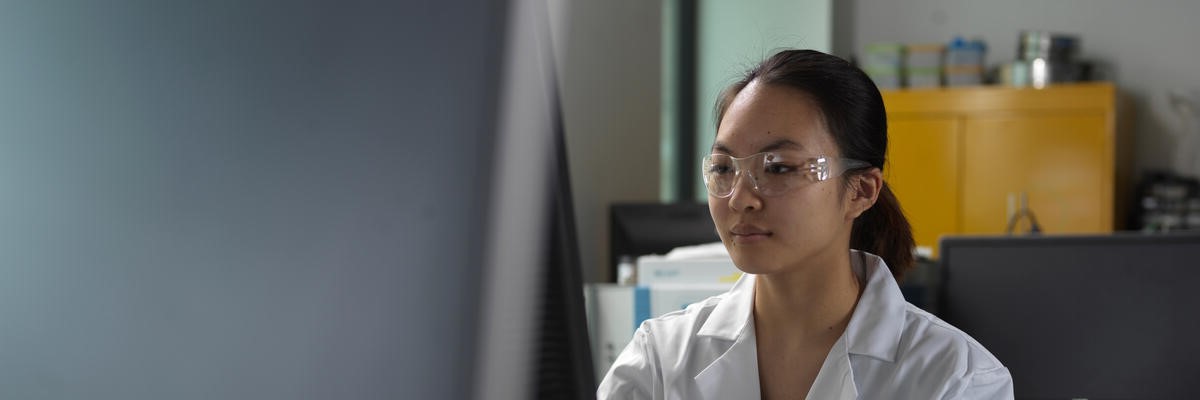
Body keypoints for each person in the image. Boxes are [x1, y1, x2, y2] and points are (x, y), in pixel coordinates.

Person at [596, 49, 1014, 399]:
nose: (740, 198)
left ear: (860, 191)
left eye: (778, 168)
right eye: (724, 168)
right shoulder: (661, 360)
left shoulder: (956, 378)